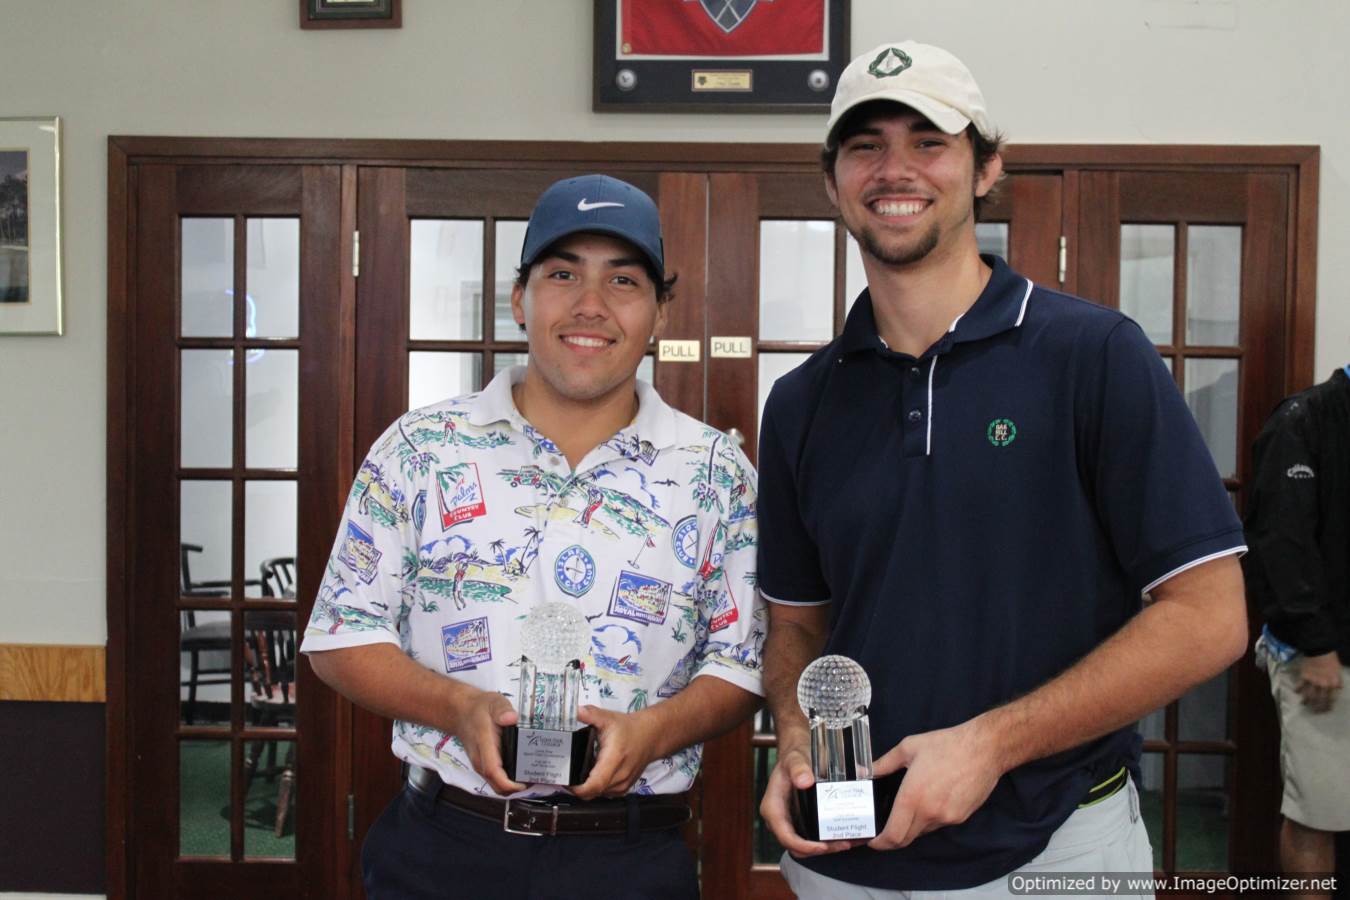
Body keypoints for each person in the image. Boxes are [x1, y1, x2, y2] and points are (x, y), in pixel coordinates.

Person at [756, 40, 1249, 895]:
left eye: (929, 141)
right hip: (849, 868)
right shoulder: (802, 402)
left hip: (1060, 854)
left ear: (987, 168)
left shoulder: (1094, 356)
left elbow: (1210, 617)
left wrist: (992, 742)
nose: (894, 169)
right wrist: (796, 732)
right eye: (865, 145)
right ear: (831, 180)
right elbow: (799, 626)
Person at [302, 174, 764, 899]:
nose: (590, 305)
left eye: (623, 279)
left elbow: (741, 667)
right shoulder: (422, 448)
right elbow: (339, 637)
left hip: (631, 860)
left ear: (660, 311)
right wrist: (459, 708)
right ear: (519, 299)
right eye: (561, 274)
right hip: (444, 852)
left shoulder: (717, 473)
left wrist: (656, 733)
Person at [1245, 366, 1350, 896]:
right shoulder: (1303, 419)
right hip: (1325, 662)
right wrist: (1317, 644)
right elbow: (1278, 541)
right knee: (1319, 812)